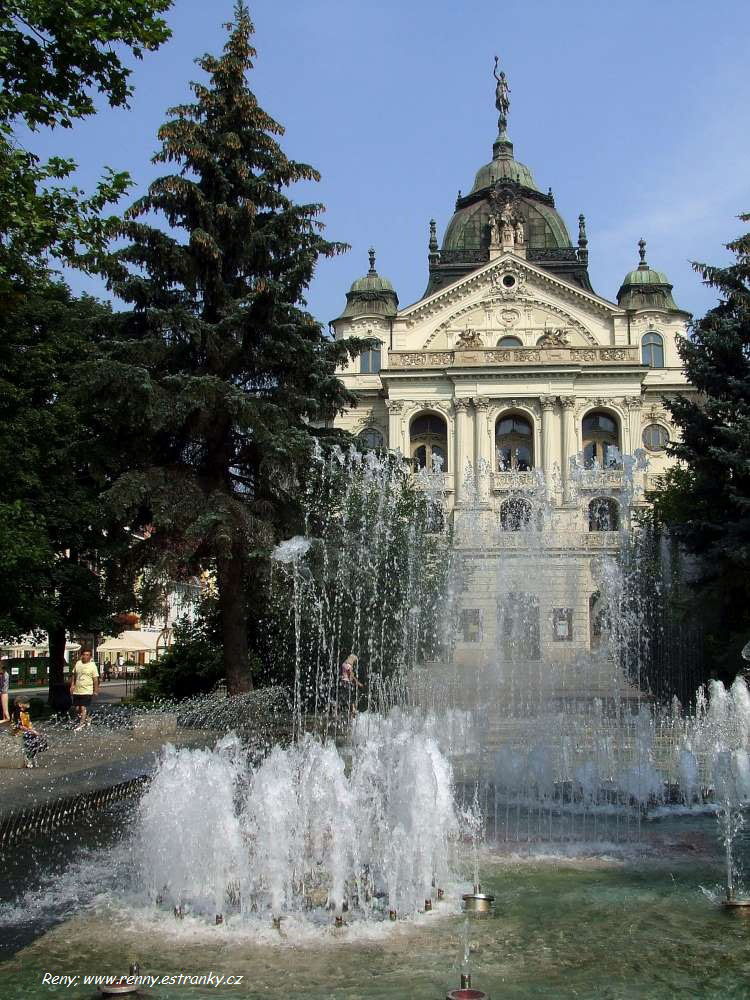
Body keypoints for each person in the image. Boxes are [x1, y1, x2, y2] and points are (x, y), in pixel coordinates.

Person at [69, 650, 99, 730]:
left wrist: (96, 690)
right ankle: (87, 718)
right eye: (84, 654)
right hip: (77, 689)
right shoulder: (78, 663)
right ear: (82, 655)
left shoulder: (92, 666)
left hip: (87, 690)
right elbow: (74, 675)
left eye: (87, 655)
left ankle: (81, 724)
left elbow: (95, 679)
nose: (85, 656)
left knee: (83, 707)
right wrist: (72, 685)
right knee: (77, 709)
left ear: (90, 657)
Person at [13, 699, 48, 768]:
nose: (28, 703)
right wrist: (32, 731)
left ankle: (31, 757)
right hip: (21, 733)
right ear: (20, 704)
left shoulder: (26, 713)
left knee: (40, 742)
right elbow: (19, 726)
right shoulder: (17, 713)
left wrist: (33, 730)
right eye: (25, 702)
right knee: (29, 744)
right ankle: (28, 759)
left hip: (28, 732)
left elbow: (28, 724)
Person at [339, 654, 363, 719]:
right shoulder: (349, 666)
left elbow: (342, 674)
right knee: (351, 699)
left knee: (348, 699)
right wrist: (358, 683)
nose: (355, 663)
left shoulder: (343, 664)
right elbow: (351, 676)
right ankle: (353, 714)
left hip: (342, 683)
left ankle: (350, 714)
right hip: (347, 683)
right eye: (355, 661)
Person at [0, 658, 10, 723]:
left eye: (1, 673)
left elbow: (4, 692)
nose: (1, 676)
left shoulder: (5, 675)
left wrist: (6, 711)